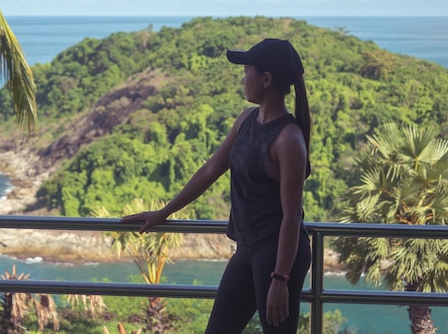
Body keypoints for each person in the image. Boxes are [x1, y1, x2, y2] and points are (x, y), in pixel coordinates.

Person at [121, 38, 312, 334]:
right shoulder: (246, 120)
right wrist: (164, 212)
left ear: (266, 79)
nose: (243, 79)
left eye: (246, 71)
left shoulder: (288, 138)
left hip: (278, 253)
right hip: (247, 247)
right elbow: (210, 170)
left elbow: (292, 216)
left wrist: (280, 278)